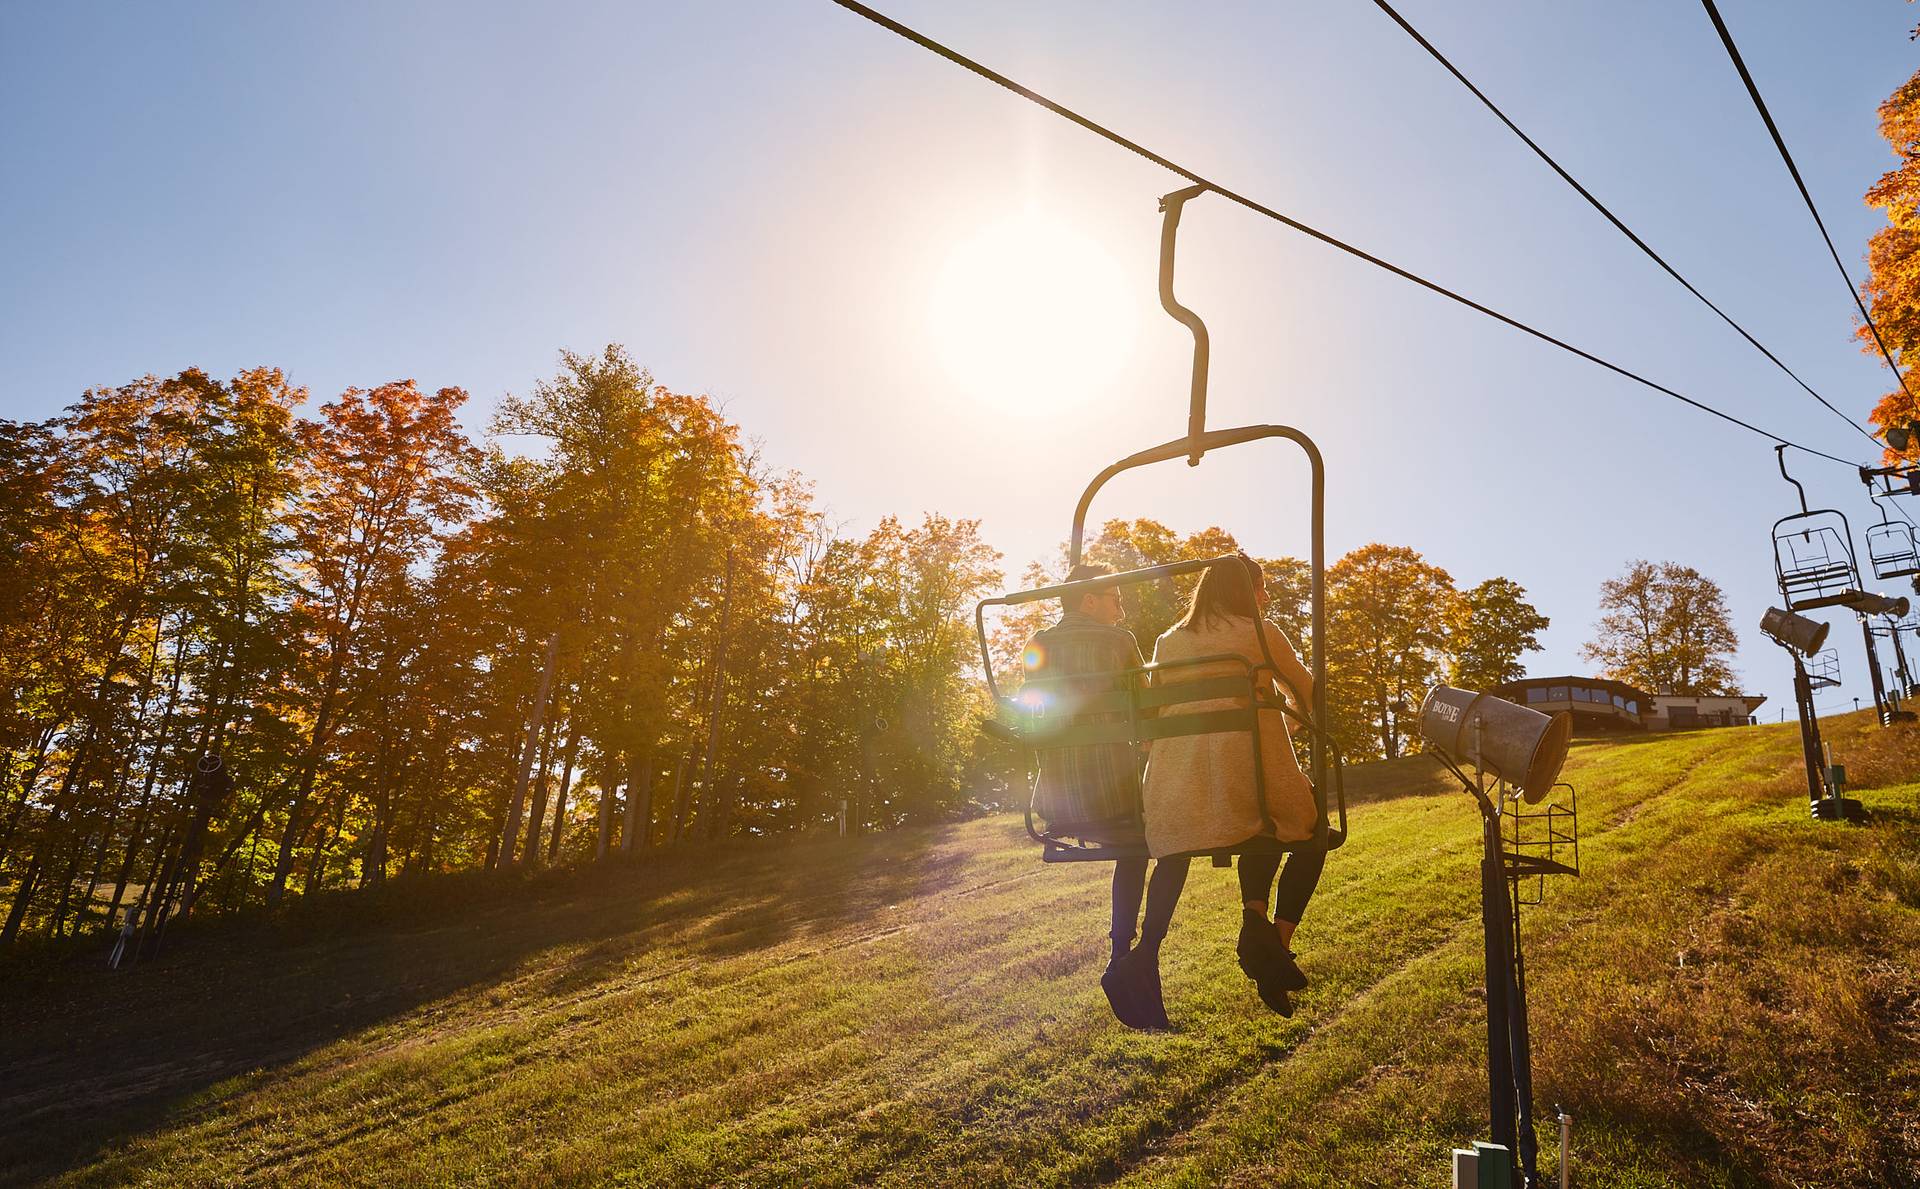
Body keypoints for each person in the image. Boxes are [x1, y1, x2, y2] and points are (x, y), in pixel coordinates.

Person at [1141, 553, 1326, 1017]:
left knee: (1259, 818)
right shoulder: (1262, 632)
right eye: (1260, 588)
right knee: (1306, 826)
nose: (1266, 597)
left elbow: (1151, 704)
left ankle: (1257, 924)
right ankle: (1275, 941)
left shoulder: (1169, 640)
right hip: (1246, 775)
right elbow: (1306, 690)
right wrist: (1294, 729)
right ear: (1244, 591)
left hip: (1181, 786)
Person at [1022, 563, 1190, 1030]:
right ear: (1089, 600)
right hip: (1112, 798)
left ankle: (1125, 957)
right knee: (1173, 841)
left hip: (1059, 805)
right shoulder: (1118, 643)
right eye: (1115, 597)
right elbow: (1148, 711)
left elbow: (1030, 710)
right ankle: (1131, 958)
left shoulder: (1038, 643)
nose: (1121, 606)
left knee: (1132, 846)